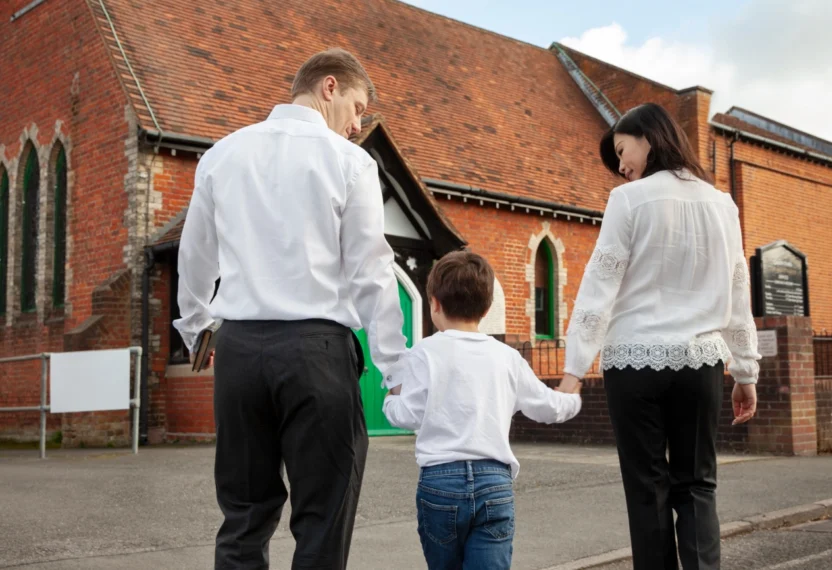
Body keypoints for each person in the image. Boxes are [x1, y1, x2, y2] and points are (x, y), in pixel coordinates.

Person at [173, 48, 409, 570]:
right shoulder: (349, 163)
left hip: (237, 356)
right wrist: (396, 369)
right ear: (329, 87)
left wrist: (197, 329)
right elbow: (371, 270)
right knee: (322, 517)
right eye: (357, 107)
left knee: (243, 516)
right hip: (316, 354)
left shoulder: (223, 154)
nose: (357, 124)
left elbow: (194, 257)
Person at [558, 103, 760, 570]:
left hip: (633, 364)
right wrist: (745, 370)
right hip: (701, 364)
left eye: (622, 151)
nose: (622, 166)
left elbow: (599, 285)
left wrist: (573, 369)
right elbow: (737, 288)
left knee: (647, 489)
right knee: (698, 486)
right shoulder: (722, 204)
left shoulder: (627, 201)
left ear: (649, 137)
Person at [383, 250, 582, 570]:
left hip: (440, 481)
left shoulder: (424, 353)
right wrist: (572, 393)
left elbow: (407, 415)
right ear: (487, 307)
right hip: (494, 481)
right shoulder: (507, 357)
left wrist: (391, 399)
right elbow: (549, 408)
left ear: (434, 303)